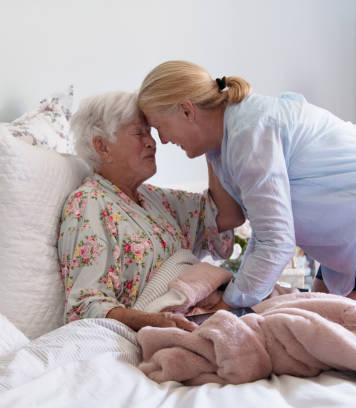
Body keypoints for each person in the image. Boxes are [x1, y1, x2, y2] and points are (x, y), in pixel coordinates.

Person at [137, 60, 356, 311]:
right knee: (327, 333)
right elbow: (234, 217)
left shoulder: (251, 132)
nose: (162, 140)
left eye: (159, 127)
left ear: (186, 110)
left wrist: (231, 304)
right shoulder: (224, 144)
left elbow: (275, 241)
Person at [58, 91, 243, 332]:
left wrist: (210, 142)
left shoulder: (156, 198)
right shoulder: (89, 203)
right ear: (102, 147)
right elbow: (85, 306)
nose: (152, 142)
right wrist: (158, 322)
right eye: (139, 133)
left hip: (213, 310)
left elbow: (224, 216)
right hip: (173, 325)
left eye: (151, 132)